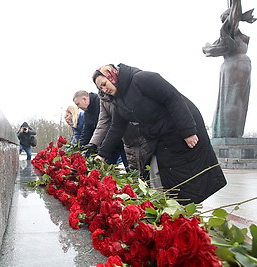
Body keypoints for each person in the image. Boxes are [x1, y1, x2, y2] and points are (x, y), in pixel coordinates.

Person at [92, 63, 227, 204]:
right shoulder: (119, 100)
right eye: (100, 88)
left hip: (181, 128)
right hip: (160, 135)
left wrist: (188, 132)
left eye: (104, 83)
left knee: (185, 175)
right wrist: (102, 155)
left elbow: (173, 99)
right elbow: (116, 128)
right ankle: (169, 209)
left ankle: (184, 213)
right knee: (160, 173)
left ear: (112, 75)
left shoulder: (142, 79)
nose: (104, 89)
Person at [202, 0, 256, 138]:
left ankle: (233, 133)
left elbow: (235, 11)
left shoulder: (234, 32)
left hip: (239, 66)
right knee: (232, 101)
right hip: (235, 66)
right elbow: (235, 9)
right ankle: (229, 133)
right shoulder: (230, 29)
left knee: (238, 102)